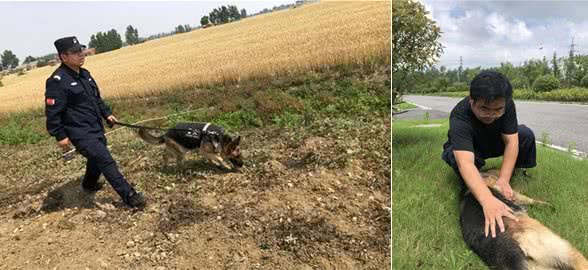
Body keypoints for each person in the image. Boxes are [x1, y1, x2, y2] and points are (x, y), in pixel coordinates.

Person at [45, 36, 145, 208]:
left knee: (96, 157)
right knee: (104, 159)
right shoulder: (57, 81)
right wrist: (60, 135)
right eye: (75, 52)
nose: (81, 54)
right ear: (63, 57)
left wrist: (107, 114)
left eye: (81, 50)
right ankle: (130, 196)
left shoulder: (85, 74)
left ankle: (89, 184)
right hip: (79, 132)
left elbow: (96, 98)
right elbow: (52, 113)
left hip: (95, 127)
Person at [441, 70, 536, 238]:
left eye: (498, 109)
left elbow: (511, 142)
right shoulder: (459, 115)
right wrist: (487, 200)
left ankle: (519, 170)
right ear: (472, 101)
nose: (491, 114)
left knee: (525, 134)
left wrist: (504, 179)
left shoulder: (508, 105)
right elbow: (465, 162)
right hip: (469, 146)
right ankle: (476, 180)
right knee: (458, 160)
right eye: (484, 108)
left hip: (492, 139)